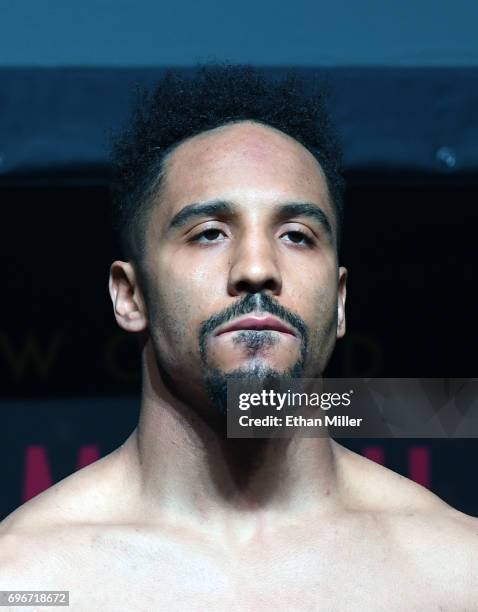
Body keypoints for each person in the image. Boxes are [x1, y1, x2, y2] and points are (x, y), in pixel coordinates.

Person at [1, 65, 476, 611]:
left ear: (341, 302)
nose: (256, 268)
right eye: (208, 234)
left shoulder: (456, 573)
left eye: (297, 236)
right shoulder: (24, 584)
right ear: (130, 297)